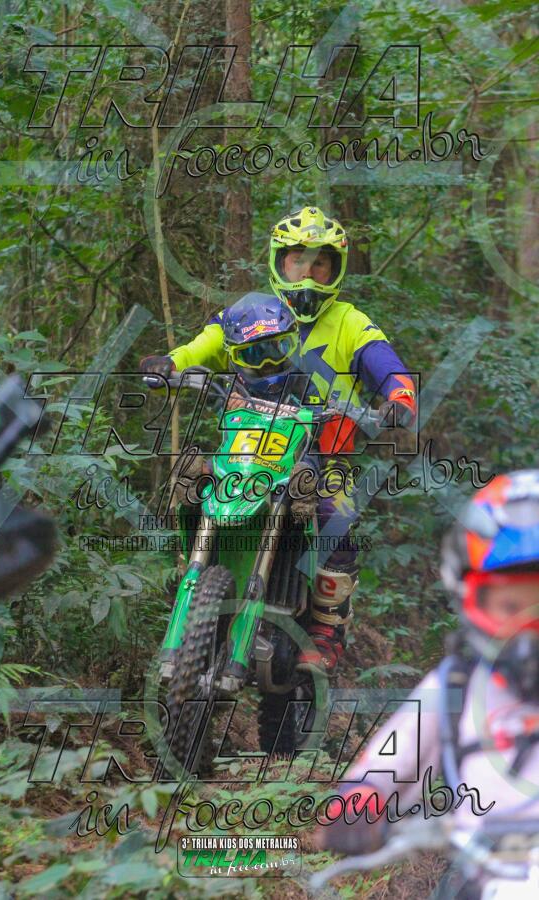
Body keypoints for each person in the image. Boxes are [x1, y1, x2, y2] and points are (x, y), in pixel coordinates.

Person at [141, 206, 417, 675]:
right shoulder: (250, 313)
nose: (307, 273)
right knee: (194, 485)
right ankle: (193, 583)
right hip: (247, 448)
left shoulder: (351, 323)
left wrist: (400, 397)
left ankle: (326, 628)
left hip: (323, 455)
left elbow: (389, 368)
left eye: (319, 263)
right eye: (297, 261)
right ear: (279, 263)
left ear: (335, 269)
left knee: (332, 515)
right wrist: (170, 364)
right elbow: (203, 344)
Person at [314, 470, 539, 863]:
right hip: (488, 877)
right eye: (509, 606)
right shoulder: (458, 684)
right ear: (470, 600)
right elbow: (389, 761)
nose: (527, 629)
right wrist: (361, 799)